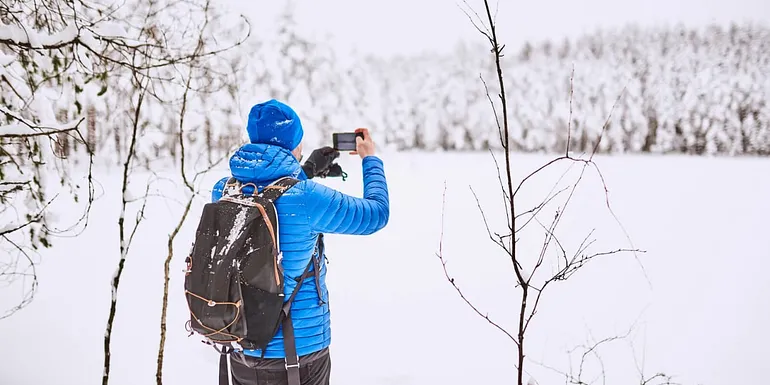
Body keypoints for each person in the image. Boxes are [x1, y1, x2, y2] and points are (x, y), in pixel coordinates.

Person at [210, 99, 390, 385]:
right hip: (299, 357)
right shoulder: (307, 197)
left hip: (240, 348)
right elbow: (376, 214)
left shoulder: (224, 190)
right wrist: (370, 159)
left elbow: (270, 196)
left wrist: (305, 170)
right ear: (292, 144)